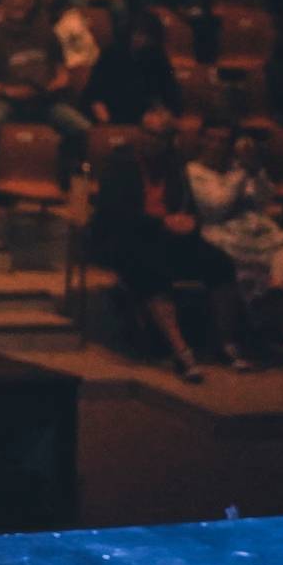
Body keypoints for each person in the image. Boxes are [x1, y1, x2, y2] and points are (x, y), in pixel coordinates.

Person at [92, 121, 244, 382]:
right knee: (151, 272)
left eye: (158, 136)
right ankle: (182, 353)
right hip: (126, 239)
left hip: (168, 237)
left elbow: (188, 206)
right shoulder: (120, 163)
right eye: (147, 132)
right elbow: (114, 214)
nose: (150, 139)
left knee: (220, 263)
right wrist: (161, 222)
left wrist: (190, 222)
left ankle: (225, 343)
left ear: (168, 141)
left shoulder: (175, 165)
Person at [190, 130, 283, 374]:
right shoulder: (194, 172)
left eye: (223, 140)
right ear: (201, 140)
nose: (216, 145)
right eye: (211, 139)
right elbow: (215, 208)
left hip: (259, 234)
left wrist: (255, 170)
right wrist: (242, 174)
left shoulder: (240, 168)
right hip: (223, 236)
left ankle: (278, 288)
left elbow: (264, 198)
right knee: (278, 274)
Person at [0, 0, 93, 146]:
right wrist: (8, 91)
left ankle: (63, 168)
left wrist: (56, 83)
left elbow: (61, 69)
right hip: (3, 99)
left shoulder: (46, 33)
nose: (18, 4)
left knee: (83, 129)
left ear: (31, 2)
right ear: (3, 1)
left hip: (43, 100)